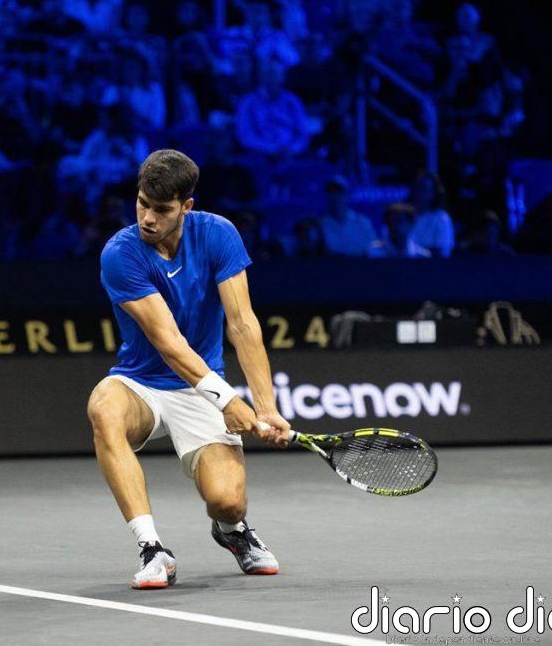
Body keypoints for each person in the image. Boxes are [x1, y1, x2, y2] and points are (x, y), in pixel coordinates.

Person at [89, 149, 290, 590]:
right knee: (103, 407)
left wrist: (267, 406)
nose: (147, 218)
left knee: (228, 501)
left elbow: (242, 323)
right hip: (142, 382)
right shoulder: (120, 254)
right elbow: (169, 343)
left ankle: (233, 531)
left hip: (198, 387)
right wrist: (227, 398)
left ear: (187, 207)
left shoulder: (219, 235)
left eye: (161, 210)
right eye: (142, 203)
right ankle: (151, 548)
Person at [318, 176, 377, 256]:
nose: (335, 197)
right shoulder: (320, 224)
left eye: (339, 192)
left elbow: (374, 250)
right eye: (332, 192)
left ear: (347, 195)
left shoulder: (363, 222)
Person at [407, 172, 454, 257]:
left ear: (434, 193)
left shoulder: (441, 218)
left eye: (423, 189)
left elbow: (440, 252)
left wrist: (413, 251)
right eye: (416, 188)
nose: (418, 193)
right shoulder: (403, 216)